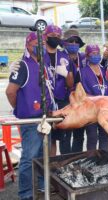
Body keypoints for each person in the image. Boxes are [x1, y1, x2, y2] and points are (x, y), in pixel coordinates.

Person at [6, 32, 54, 200]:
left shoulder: (43, 64)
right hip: (31, 121)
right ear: (28, 45)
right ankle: (26, 194)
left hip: (45, 119)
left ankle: (40, 186)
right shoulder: (23, 65)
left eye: (42, 43)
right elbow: (10, 91)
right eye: (36, 43)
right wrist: (22, 110)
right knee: (29, 158)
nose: (40, 46)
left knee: (42, 155)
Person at [43, 25, 73, 156]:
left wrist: (67, 74)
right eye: (53, 36)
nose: (55, 38)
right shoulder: (38, 54)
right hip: (43, 101)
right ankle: (43, 170)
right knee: (44, 138)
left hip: (60, 102)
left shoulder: (64, 57)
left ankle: (53, 168)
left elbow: (71, 83)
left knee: (56, 138)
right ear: (45, 36)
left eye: (58, 36)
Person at [78, 44, 108, 150]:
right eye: (93, 54)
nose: (96, 56)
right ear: (87, 56)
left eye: (97, 53)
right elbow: (81, 92)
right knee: (92, 137)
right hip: (90, 109)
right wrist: (95, 99)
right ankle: (91, 161)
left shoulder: (104, 70)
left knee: (104, 135)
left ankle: (103, 161)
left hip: (105, 109)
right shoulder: (83, 72)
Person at [62, 29, 86, 153]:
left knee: (79, 133)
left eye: (76, 41)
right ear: (64, 43)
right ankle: (65, 161)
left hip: (81, 100)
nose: (74, 43)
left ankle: (77, 158)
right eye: (70, 41)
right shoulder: (60, 56)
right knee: (66, 134)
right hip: (65, 99)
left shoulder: (83, 57)